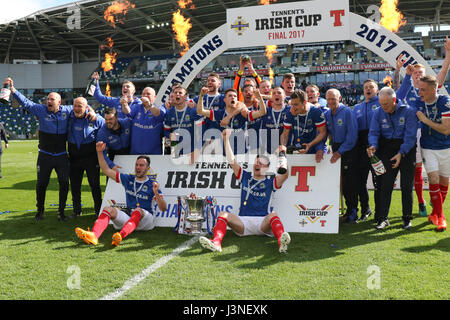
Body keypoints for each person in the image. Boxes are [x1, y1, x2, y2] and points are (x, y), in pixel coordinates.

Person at [7, 78, 96, 221]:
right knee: (41, 184)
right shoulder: (41, 110)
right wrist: (13, 90)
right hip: (45, 155)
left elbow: (82, 106)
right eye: (47, 99)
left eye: (52, 99)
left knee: (64, 184)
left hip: (61, 156)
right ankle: (40, 211)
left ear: (59, 102)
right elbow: (26, 102)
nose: (48, 101)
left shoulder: (68, 111)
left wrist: (92, 112)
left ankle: (61, 212)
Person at [198, 129, 291, 253]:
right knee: (222, 215)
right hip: (243, 223)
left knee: (273, 215)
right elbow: (232, 161)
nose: (257, 164)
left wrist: (283, 155)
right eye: (256, 162)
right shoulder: (245, 177)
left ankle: (282, 242)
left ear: (267, 167)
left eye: (261, 163)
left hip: (262, 222)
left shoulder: (270, 182)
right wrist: (226, 139)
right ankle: (216, 243)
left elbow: (285, 176)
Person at [393, 39, 450, 217]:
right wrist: (399, 71)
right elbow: (396, 93)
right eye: (415, 73)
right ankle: (421, 202)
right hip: (415, 134)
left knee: (440, 175)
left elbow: (441, 74)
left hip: (433, 135)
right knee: (418, 169)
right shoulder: (409, 88)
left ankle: (436, 209)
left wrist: (448, 55)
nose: (417, 75)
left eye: (420, 73)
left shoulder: (431, 91)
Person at [75, 142, 167, 246]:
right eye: (136, 165)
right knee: (107, 209)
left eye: (141, 165)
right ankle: (94, 235)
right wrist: (100, 152)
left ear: (148, 168)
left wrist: (157, 194)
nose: (138, 167)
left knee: (138, 211)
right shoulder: (128, 179)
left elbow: (163, 208)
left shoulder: (152, 185)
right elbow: (106, 170)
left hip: (147, 221)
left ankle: (120, 236)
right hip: (130, 218)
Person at [367, 87, 418, 230]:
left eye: (386, 104)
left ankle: (407, 218)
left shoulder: (408, 111)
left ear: (394, 100)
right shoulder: (377, 112)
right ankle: (382, 219)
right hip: (387, 149)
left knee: (407, 186)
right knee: (385, 185)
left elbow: (410, 136)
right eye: (382, 104)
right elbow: (374, 132)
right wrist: (373, 146)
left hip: (406, 149)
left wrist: (401, 153)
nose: (383, 107)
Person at [416, 75, 450, 231]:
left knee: (444, 182)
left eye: (423, 89)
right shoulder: (418, 102)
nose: (420, 92)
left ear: (433, 89)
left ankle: (435, 213)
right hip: (428, 147)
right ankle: (441, 217)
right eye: (419, 88)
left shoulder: (444, 101)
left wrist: (425, 120)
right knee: (433, 178)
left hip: (446, 146)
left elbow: (446, 129)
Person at [324, 88, 359, 223]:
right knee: (342, 183)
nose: (331, 101)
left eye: (333, 98)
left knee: (350, 183)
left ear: (339, 98)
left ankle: (353, 213)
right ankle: (347, 211)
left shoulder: (347, 112)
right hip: (336, 148)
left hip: (348, 150)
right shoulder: (327, 114)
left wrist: (339, 152)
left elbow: (352, 136)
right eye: (329, 99)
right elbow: (327, 133)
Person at [197, 88, 266, 155]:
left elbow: (262, 112)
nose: (233, 97)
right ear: (224, 100)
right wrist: (201, 96)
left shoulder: (243, 113)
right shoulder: (220, 113)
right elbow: (200, 111)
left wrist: (259, 97)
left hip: (241, 154)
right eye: (230, 96)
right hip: (225, 153)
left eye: (235, 96)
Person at [67, 97, 105, 218]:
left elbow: (106, 124)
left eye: (80, 106)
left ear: (86, 107)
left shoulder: (93, 118)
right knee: (75, 185)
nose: (77, 109)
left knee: (94, 184)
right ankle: (77, 210)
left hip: (90, 157)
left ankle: (98, 209)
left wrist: (96, 115)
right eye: (75, 106)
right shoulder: (69, 116)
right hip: (74, 158)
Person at [280, 89, 327, 163]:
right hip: (296, 150)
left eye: (296, 104)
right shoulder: (290, 111)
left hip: (313, 150)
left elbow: (322, 132)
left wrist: (310, 145)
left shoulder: (315, 112)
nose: (293, 107)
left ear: (304, 102)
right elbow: (285, 133)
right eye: (292, 104)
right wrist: (283, 145)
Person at [163, 84, 203, 161]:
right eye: (175, 93)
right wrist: (170, 135)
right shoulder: (169, 112)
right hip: (175, 151)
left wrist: (197, 150)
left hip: (192, 152)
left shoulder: (193, 111)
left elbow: (201, 132)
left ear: (185, 97)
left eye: (180, 93)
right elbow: (166, 130)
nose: (177, 94)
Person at [122, 86, 166, 155]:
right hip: (135, 153)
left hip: (154, 154)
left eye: (148, 94)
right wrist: (124, 104)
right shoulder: (136, 107)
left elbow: (158, 114)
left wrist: (149, 104)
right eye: (143, 94)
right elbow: (128, 112)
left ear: (155, 97)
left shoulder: (160, 108)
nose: (145, 95)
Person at [260, 87, 289, 154]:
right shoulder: (265, 112)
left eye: (279, 93)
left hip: (287, 151)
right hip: (269, 152)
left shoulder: (290, 110)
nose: (276, 94)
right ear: (271, 97)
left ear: (284, 96)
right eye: (274, 93)